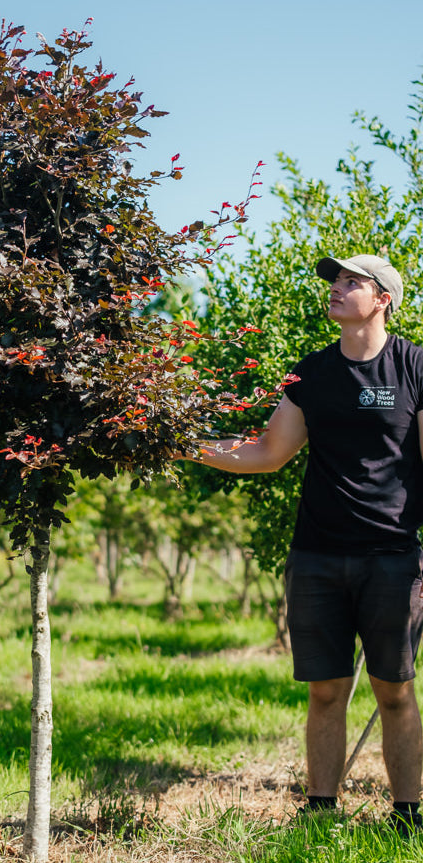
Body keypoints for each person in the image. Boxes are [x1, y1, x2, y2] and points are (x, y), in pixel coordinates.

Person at [188, 254, 423, 834]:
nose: (336, 290)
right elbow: (268, 452)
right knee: (325, 689)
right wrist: (183, 443)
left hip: (393, 556)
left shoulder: (415, 368)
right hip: (316, 555)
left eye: (351, 283)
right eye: (335, 283)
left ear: (383, 298)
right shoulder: (311, 374)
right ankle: (320, 811)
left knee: (394, 691)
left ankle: (408, 816)